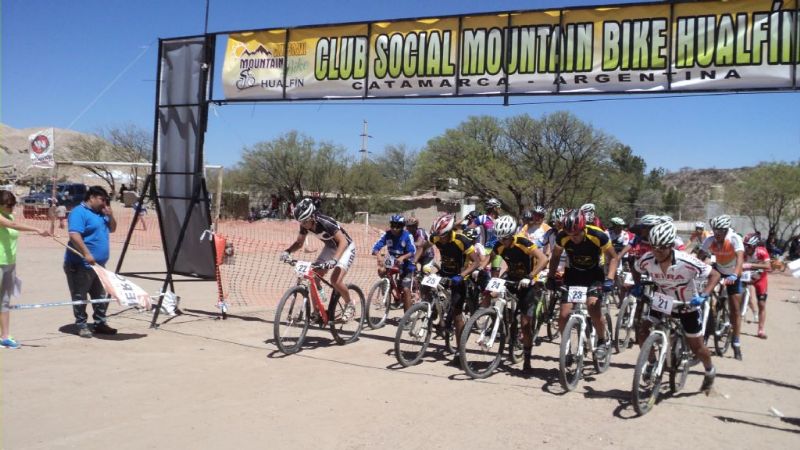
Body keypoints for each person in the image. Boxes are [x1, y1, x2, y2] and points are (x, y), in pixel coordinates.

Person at [633, 221, 721, 392]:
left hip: (687, 305)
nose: (657, 252)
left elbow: (715, 274)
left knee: (697, 347)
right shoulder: (647, 259)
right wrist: (637, 285)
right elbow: (636, 268)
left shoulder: (686, 261)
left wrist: (704, 295)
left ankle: (709, 369)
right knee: (643, 330)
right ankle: (651, 363)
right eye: (654, 247)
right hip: (663, 301)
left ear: (671, 245)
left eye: (662, 248)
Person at [546, 209, 619, 360]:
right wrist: (551, 277)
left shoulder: (598, 235)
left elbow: (613, 257)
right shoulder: (562, 236)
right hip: (573, 274)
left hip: (594, 275)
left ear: (583, 228)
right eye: (570, 235)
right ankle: (566, 348)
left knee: (593, 307)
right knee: (564, 315)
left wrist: (610, 278)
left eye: (577, 234)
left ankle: (601, 340)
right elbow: (555, 257)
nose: (574, 238)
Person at [415, 214, 483, 365]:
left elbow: (477, 261)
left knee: (457, 314)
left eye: (443, 236)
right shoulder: (436, 237)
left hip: (459, 277)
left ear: (450, 231)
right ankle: (431, 309)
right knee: (426, 284)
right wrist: (414, 262)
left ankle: (460, 350)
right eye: (438, 236)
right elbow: (423, 246)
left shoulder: (461, 240)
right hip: (444, 273)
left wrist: (463, 275)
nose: (441, 239)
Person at [280, 198, 357, 322]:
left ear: (312, 217)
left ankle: (350, 305)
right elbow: (299, 243)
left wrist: (335, 260)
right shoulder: (305, 223)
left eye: (305, 222)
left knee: (335, 280)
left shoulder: (326, 222)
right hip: (331, 247)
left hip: (346, 247)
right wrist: (287, 251)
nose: (303, 225)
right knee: (313, 277)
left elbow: (342, 241)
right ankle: (317, 313)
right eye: (301, 222)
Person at [489, 215, 549, 371]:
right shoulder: (499, 245)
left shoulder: (524, 243)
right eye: (500, 238)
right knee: (491, 293)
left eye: (506, 238)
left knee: (525, 324)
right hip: (511, 276)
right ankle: (495, 320)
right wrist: (480, 269)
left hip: (528, 280)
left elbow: (543, 259)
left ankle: (527, 359)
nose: (503, 242)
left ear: (512, 235)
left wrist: (530, 276)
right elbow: (490, 258)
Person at [64, 186, 118, 338]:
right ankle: (81, 324)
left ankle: (100, 323)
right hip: (80, 264)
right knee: (80, 295)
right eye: (102, 200)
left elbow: (112, 229)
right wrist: (86, 253)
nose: (104, 203)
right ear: (92, 197)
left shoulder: (102, 213)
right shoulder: (79, 212)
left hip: (99, 265)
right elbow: (74, 235)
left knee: (100, 295)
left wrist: (111, 216)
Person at [0, 190, 51, 349]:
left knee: (5, 301)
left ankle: (5, 336)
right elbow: (13, 226)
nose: (11, 208)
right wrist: (36, 229)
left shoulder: (10, 215)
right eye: (8, 205)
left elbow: (14, 226)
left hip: (10, 263)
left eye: (13, 205)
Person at [701, 214, 745, 360]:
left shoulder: (734, 238)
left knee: (735, 308)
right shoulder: (710, 240)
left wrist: (735, 275)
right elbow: (699, 257)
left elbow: (740, 260)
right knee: (704, 295)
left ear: (726, 230)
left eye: (720, 230)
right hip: (719, 270)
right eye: (715, 230)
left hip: (733, 272)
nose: (717, 233)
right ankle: (706, 329)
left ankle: (736, 342)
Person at [371, 215, 416, 311]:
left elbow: (412, 251)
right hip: (392, 259)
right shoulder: (387, 234)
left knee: (405, 289)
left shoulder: (408, 236)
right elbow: (375, 247)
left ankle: (407, 318)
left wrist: (403, 257)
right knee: (381, 271)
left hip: (406, 263)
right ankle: (387, 290)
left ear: (403, 226)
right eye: (393, 226)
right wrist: (378, 256)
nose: (395, 229)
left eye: (398, 226)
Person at [742, 233, 771, 339]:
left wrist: (751, 265)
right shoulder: (743, 252)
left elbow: (768, 266)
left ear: (754, 246)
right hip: (746, 276)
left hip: (760, 278)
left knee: (761, 304)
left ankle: (761, 330)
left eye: (748, 246)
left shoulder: (762, 251)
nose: (746, 248)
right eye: (744, 245)